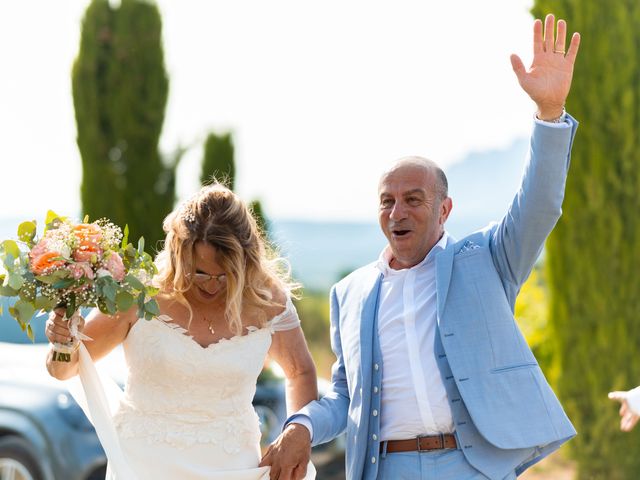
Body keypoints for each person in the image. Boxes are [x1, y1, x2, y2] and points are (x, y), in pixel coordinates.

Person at [261, 13, 581, 480]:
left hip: (473, 466)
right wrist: (302, 424)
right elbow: (345, 399)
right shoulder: (348, 294)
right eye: (387, 202)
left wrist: (550, 115)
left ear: (444, 210)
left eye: (413, 200)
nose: (397, 213)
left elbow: (539, 206)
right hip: (384, 468)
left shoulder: (490, 259)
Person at [45, 184, 318, 479]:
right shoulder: (139, 292)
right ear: (179, 253)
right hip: (144, 466)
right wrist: (62, 344)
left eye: (225, 275)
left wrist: (298, 429)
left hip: (234, 466)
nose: (212, 285)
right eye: (199, 272)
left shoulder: (267, 300)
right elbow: (64, 370)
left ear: (246, 262)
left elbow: (300, 371)